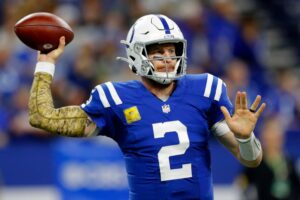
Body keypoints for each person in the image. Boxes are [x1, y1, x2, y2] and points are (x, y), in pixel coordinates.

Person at [28, 14, 266, 200]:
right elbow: (42, 117)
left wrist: (245, 139)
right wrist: (46, 64)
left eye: (172, 51)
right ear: (136, 55)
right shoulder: (115, 99)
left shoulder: (205, 90)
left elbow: (252, 160)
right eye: (157, 51)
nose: (167, 58)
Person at [238, 115, 300, 200]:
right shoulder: (257, 162)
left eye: (277, 133)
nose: (274, 137)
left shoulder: (289, 161)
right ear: (263, 137)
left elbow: (296, 187)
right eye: (270, 132)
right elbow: (242, 182)